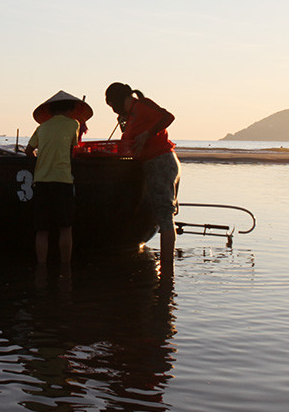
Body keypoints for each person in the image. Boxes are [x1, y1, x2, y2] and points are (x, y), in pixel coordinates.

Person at [104, 82, 181, 273]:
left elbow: (167, 117)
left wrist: (147, 134)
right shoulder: (130, 117)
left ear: (120, 100)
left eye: (112, 105)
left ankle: (167, 268)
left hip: (161, 161)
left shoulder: (143, 105)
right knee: (161, 212)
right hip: (150, 164)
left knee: (164, 215)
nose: (113, 110)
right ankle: (166, 266)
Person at [24, 91, 94, 268]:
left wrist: (38, 160)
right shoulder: (73, 124)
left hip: (41, 181)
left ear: (51, 111)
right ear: (70, 110)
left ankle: (41, 266)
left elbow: (28, 150)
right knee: (65, 227)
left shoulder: (42, 128)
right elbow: (73, 148)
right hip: (62, 181)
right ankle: (65, 266)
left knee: (42, 229)